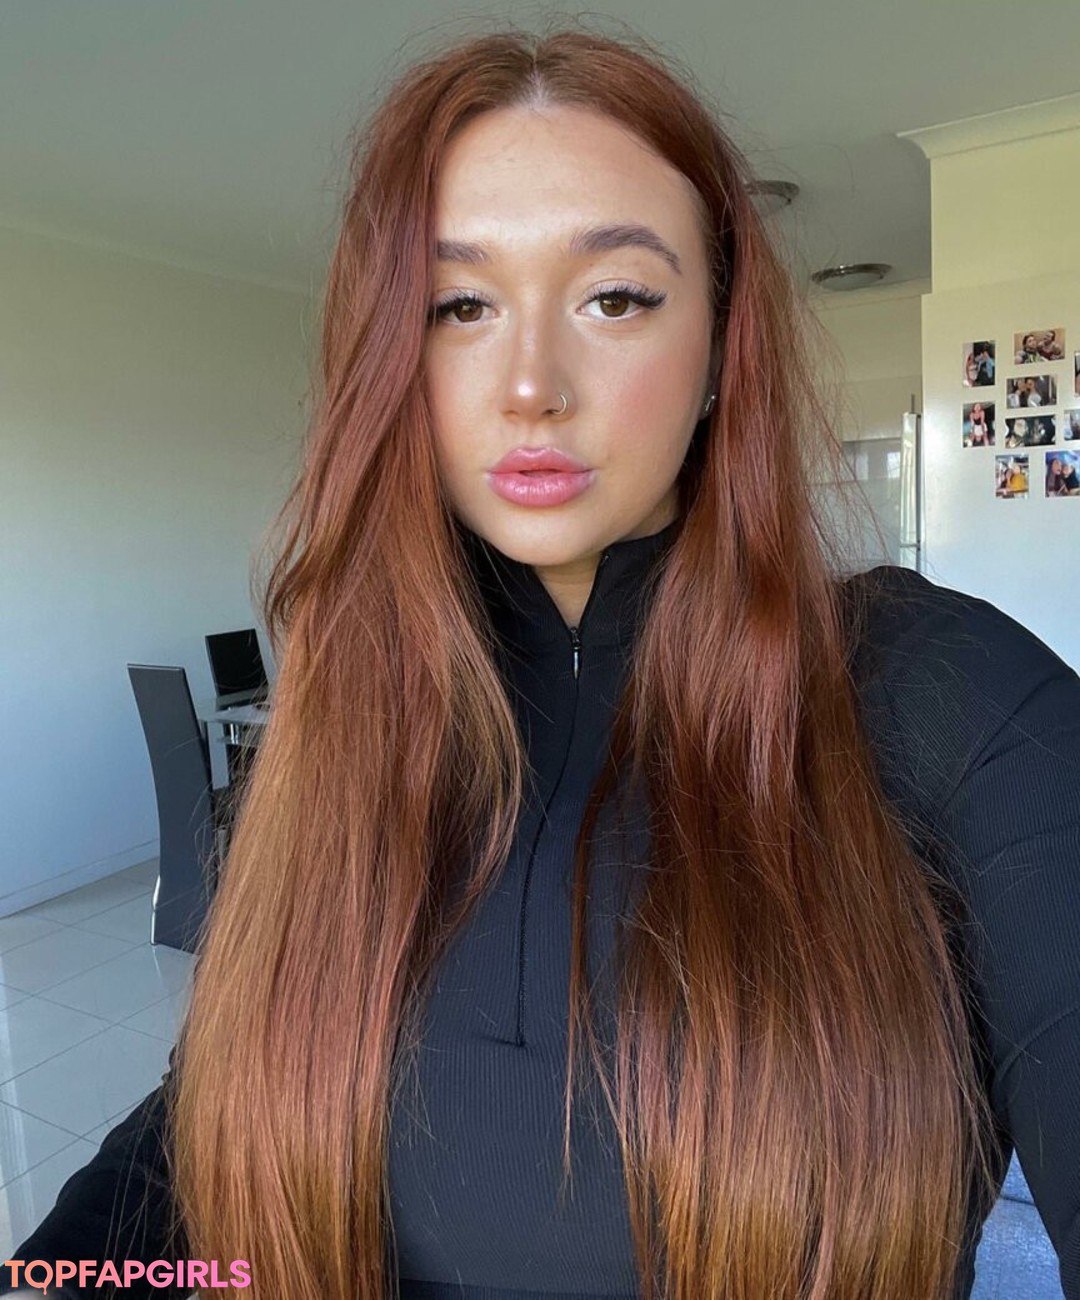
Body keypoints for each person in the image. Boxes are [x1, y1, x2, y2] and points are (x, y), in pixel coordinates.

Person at [3, 28, 1079, 1300]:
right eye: (460, 306)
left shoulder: (956, 700)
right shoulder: (349, 718)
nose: (529, 385)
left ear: (720, 345)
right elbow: (199, 1134)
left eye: (614, 297)